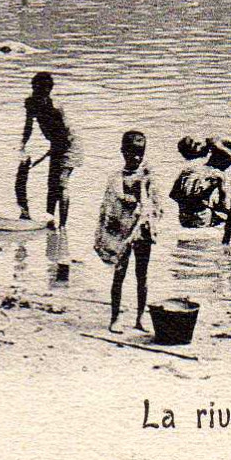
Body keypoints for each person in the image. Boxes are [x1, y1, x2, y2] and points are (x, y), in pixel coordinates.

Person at [95, 131, 162, 333]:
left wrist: (143, 185)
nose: (136, 157)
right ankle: (115, 317)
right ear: (122, 152)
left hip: (142, 231)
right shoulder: (116, 179)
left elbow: (154, 204)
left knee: (142, 276)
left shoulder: (148, 177)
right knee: (119, 275)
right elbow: (111, 206)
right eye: (131, 153)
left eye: (140, 153)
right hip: (121, 234)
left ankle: (141, 318)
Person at [16, 72, 77, 228]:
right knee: (51, 184)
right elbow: (28, 126)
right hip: (56, 143)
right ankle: (49, 220)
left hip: (69, 145)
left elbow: (65, 135)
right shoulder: (31, 103)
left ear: (48, 91)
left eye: (41, 91)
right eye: (34, 89)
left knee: (61, 184)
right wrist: (22, 145)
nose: (36, 93)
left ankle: (62, 226)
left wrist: (48, 153)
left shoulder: (56, 108)